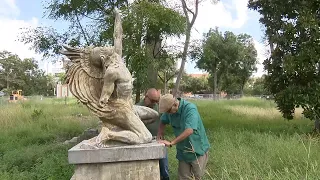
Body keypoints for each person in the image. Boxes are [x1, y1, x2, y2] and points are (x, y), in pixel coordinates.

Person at [157, 94, 210, 180]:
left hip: (197, 150)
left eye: (168, 111)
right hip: (183, 151)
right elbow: (163, 120)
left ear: (175, 104)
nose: (168, 113)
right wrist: (160, 133)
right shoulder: (170, 111)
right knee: (183, 177)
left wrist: (171, 143)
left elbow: (189, 130)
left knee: (197, 177)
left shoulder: (190, 109)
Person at [136, 88, 170, 180]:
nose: (154, 103)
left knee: (164, 169)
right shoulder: (137, 108)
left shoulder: (158, 107)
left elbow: (165, 119)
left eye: (156, 100)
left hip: (158, 140)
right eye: (152, 100)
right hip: (144, 143)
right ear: (146, 97)